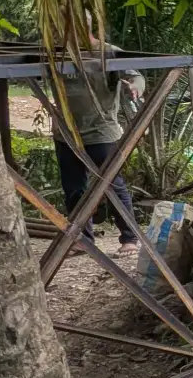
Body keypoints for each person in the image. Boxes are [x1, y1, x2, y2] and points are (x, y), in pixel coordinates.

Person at [52, 50, 140, 245]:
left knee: (113, 186)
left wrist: (134, 87)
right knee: (74, 190)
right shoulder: (51, 51)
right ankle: (83, 240)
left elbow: (135, 76)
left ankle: (130, 238)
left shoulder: (106, 51)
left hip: (102, 133)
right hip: (66, 136)